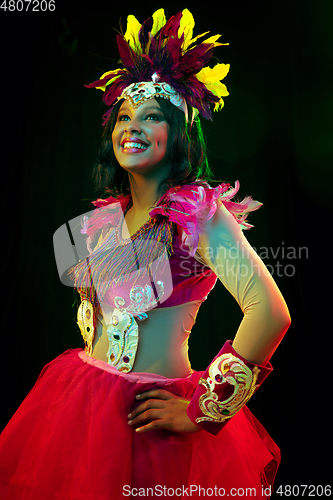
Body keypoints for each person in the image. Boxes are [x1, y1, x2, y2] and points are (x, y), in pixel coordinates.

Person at [0, 8, 291, 499]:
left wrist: (202, 409)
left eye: (152, 116)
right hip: (81, 404)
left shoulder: (202, 216)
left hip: (152, 424)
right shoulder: (104, 220)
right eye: (124, 117)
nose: (132, 127)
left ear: (179, 132)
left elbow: (271, 314)